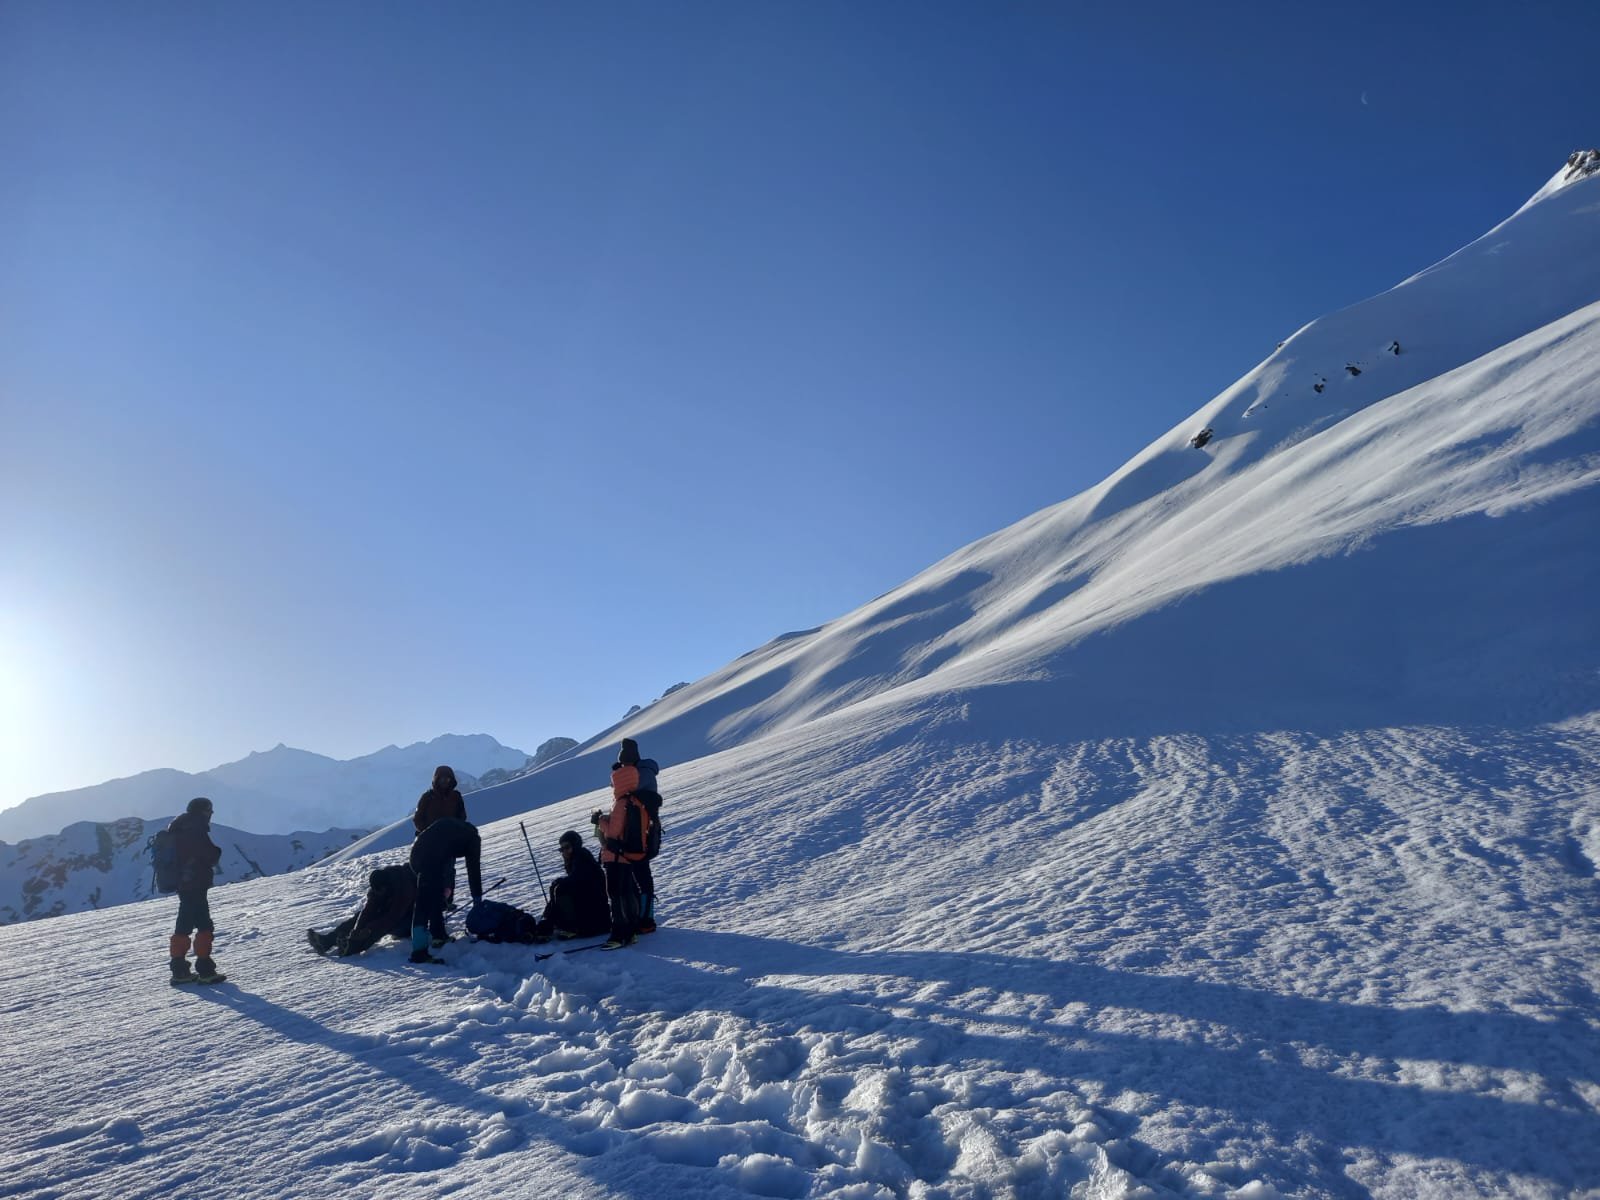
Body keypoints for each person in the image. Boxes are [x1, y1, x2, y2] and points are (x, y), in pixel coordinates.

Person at [592, 737, 661, 948]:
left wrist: (601, 821)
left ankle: (634, 924)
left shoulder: (636, 779)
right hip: (644, 837)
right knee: (641, 880)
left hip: (629, 843)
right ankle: (643, 920)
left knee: (625, 886)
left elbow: (617, 821)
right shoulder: (646, 774)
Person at [409, 816, 483, 964]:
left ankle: (438, 935)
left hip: (415, 854)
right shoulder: (473, 839)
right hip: (431, 856)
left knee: (430, 895)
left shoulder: (452, 829)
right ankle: (419, 952)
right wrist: (477, 900)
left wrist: (444, 886)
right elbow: (473, 871)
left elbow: (446, 862)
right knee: (426, 899)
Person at [167, 797, 225, 985]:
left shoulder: (178, 827)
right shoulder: (196, 829)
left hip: (182, 883)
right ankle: (205, 970)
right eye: (210, 811)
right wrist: (217, 852)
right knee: (204, 924)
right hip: (195, 883)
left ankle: (180, 970)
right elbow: (208, 855)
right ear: (204, 811)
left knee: (184, 924)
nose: (211, 815)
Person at [307, 864, 417, 957]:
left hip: (410, 921)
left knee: (382, 924)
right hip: (394, 910)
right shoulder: (379, 885)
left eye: (381, 891)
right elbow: (368, 910)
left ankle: (352, 947)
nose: (378, 894)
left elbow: (394, 916)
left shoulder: (404, 887)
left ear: (387, 887)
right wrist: (357, 929)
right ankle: (327, 941)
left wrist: (368, 929)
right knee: (361, 917)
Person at [537, 830, 610, 939]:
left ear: (575, 845)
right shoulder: (576, 859)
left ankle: (572, 927)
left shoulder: (582, 858)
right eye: (562, 849)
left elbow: (578, 880)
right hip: (596, 914)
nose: (564, 851)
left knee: (561, 889)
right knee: (558, 887)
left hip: (595, 918)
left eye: (567, 847)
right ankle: (556, 923)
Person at [414, 765, 467, 909]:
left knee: (448, 872)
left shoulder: (456, 797)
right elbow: (417, 819)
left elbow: (462, 816)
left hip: (449, 841)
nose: (445, 781)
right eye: (442, 778)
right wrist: (427, 833)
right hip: (430, 843)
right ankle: (434, 902)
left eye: (448, 778)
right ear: (436, 780)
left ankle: (446, 901)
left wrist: (456, 829)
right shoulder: (427, 797)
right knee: (432, 872)